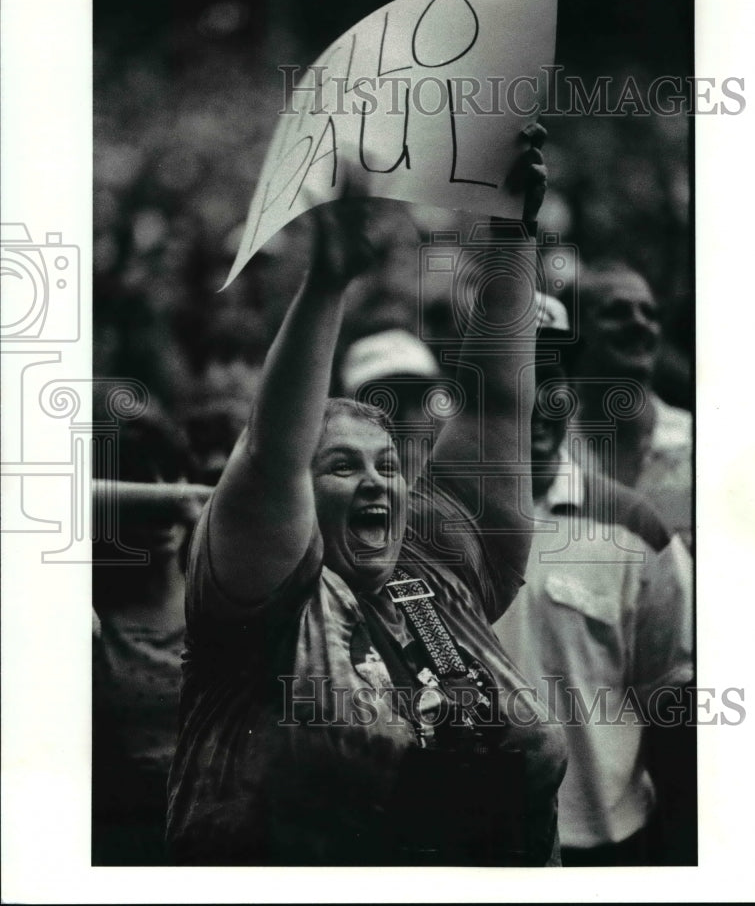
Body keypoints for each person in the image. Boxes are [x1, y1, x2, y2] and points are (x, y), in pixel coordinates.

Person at [166, 127, 569, 867]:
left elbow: (494, 409)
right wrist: (327, 285)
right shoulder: (261, 602)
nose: (379, 481)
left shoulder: (442, 571)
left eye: (387, 465)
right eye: (343, 467)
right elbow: (269, 456)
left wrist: (511, 233)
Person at [495, 294, 695, 865]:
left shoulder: (634, 527)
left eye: (551, 376)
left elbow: (671, 698)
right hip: (466, 846)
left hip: (605, 845)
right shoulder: (422, 519)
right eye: (513, 376)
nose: (536, 400)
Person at [92, 405, 210, 866]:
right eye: (139, 481)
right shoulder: (86, 621)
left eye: (171, 475)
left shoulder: (225, 602)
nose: (164, 499)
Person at [560, 258, 692, 548]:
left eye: (650, 313)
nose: (640, 323)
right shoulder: (553, 453)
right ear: (572, 333)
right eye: (616, 312)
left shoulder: (697, 446)